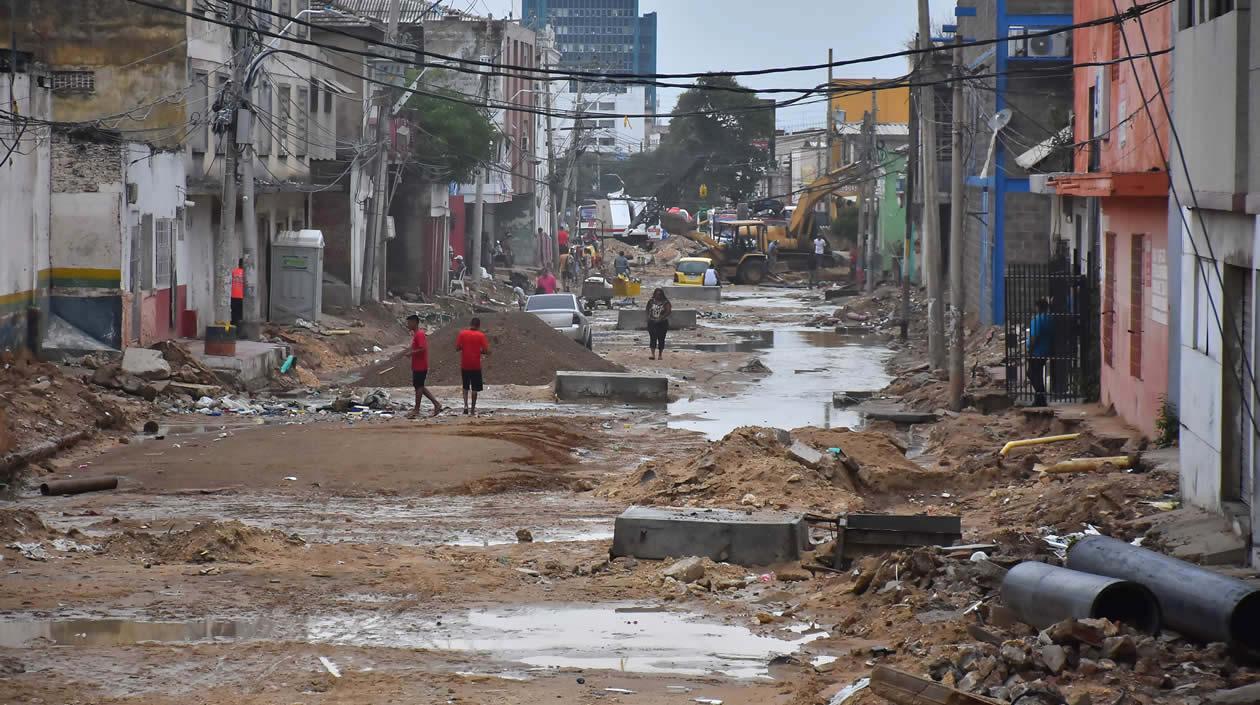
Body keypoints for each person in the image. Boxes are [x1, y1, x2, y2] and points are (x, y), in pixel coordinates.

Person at [404, 314, 445, 418]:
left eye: (409, 323)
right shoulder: (416, 334)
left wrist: (411, 353)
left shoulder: (420, 334)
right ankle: (436, 404)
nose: (408, 325)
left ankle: (417, 410)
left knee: (419, 387)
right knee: (419, 386)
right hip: (417, 365)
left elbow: (423, 348)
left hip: (420, 365)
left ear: (414, 322)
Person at [455, 317, 491, 415]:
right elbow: (487, 351)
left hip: (465, 364)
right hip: (476, 365)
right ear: (479, 326)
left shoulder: (462, 334)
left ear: (470, 324)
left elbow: (457, 348)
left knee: (465, 386)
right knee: (475, 388)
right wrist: (480, 351)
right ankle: (472, 410)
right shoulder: (481, 335)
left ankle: (465, 405)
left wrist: (464, 347)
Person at [1027, 298, 1053, 407]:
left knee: (1032, 374)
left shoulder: (1037, 320)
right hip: (1046, 350)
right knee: (1037, 374)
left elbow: (1034, 337)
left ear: (1037, 308)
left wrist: (1030, 350)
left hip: (1037, 352)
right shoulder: (1050, 319)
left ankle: (1040, 397)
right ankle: (1039, 399)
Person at [646, 288, 672, 361]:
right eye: (657, 294)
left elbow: (668, 311)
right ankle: (652, 354)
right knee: (652, 338)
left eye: (659, 294)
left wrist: (661, 318)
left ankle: (660, 354)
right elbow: (647, 310)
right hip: (652, 322)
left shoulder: (666, 302)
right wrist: (649, 317)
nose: (658, 296)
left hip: (662, 323)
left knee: (661, 338)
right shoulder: (651, 301)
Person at [230, 258, 245, 328]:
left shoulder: (233, 272)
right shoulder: (247, 273)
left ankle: (233, 328)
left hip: (233, 296)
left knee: (234, 313)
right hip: (242, 297)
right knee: (241, 315)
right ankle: (239, 330)